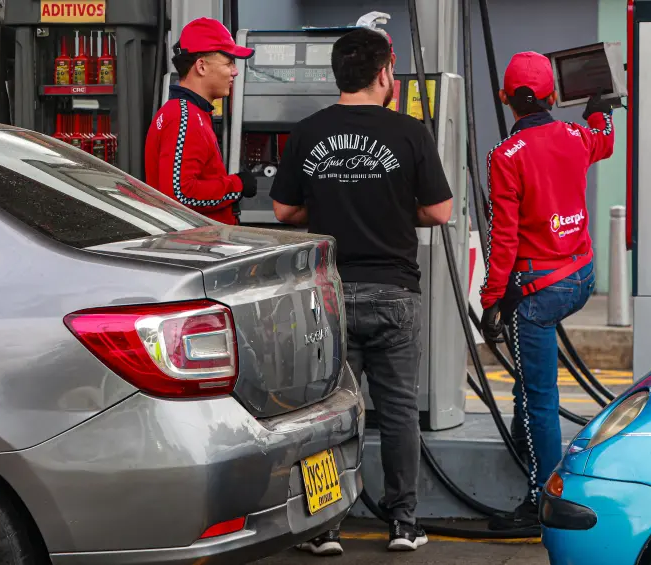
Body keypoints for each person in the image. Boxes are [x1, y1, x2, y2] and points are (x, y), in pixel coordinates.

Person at [269, 27, 453, 554]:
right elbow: (439, 211)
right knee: (397, 412)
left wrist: (330, 204)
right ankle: (403, 523)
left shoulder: (309, 131)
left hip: (331, 295)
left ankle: (326, 526)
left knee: (331, 412)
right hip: (395, 292)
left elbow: (284, 211)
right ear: (384, 74)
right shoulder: (410, 132)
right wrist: (394, 206)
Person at [478, 51, 615, 528]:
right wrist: (600, 106)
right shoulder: (577, 136)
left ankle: (540, 502)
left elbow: (504, 239)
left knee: (540, 395)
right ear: (554, 97)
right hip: (581, 279)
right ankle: (526, 440)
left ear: (505, 99)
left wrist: (491, 297)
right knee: (530, 382)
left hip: (537, 294)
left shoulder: (505, 157)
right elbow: (604, 138)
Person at [145, 17, 257, 225]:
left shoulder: (187, 113)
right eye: (229, 62)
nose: (235, 71)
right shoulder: (184, 117)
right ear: (201, 66)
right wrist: (237, 185)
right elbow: (181, 194)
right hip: (194, 249)